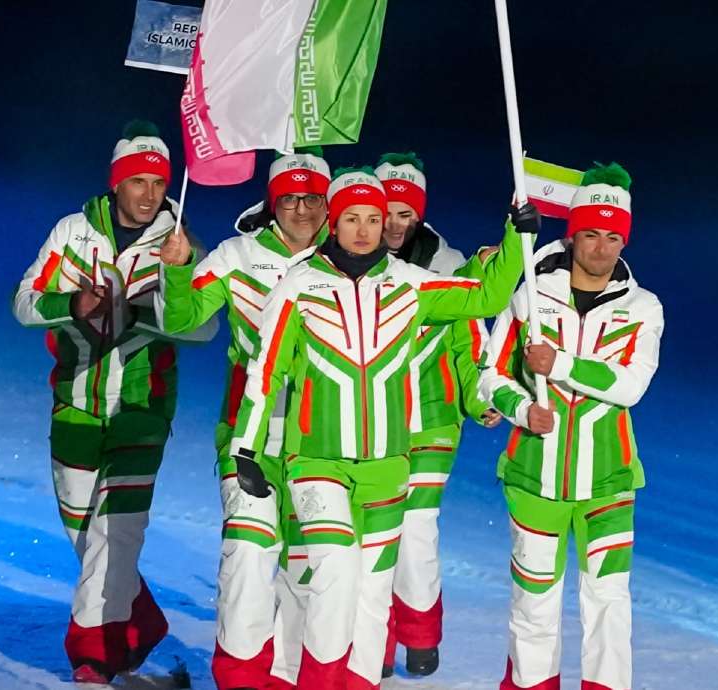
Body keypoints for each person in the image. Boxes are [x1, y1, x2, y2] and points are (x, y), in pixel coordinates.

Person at [229, 166, 537, 689]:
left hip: (389, 467)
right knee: (334, 576)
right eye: (353, 217)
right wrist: (247, 449)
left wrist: (518, 234)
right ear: (334, 221)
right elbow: (267, 372)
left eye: (373, 218)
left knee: (372, 594)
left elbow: (482, 298)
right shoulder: (298, 287)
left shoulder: (412, 285)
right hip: (317, 463)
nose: (366, 229)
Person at [11, 120, 215, 684]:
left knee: (115, 533)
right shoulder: (73, 232)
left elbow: (204, 329)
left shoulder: (179, 242)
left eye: (159, 181)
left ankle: (92, 658)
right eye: (139, 180)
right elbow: (23, 303)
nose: (151, 193)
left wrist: (178, 276)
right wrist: (72, 303)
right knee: (84, 532)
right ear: (117, 182)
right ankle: (140, 622)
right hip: (74, 403)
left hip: (142, 407)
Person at [478, 163, 664, 690]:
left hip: (609, 479)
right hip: (533, 478)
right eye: (591, 234)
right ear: (572, 233)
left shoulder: (643, 308)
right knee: (534, 605)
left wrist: (557, 363)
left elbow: (631, 386)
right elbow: (490, 376)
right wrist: (520, 409)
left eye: (612, 237)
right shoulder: (530, 295)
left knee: (609, 603)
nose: (602, 249)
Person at [155, 149, 332, 690]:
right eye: (289, 199)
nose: (301, 210)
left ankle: (287, 679)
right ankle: (240, 680)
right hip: (248, 433)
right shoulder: (237, 255)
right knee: (248, 560)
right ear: (272, 203)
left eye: (312, 199)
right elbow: (179, 319)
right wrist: (179, 269)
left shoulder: (348, 259)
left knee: (308, 570)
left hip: (323, 443)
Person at [372, 152, 503, 678]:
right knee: (374, 533)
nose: (397, 225)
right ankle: (374, 640)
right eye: (389, 212)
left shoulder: (449, 268)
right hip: (369, 419)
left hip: (431, 417)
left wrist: (479, 399)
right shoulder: (352, 262)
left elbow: (469, 343)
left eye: (407, 214)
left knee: (416, 527)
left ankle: (421, 635)